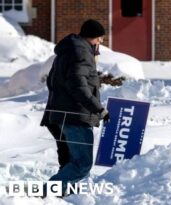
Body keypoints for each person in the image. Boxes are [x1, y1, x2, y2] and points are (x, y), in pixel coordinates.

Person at [40, 19, 110, 196]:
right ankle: (43, 195)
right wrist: (98, 109)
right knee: (82, 164)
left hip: (61, 115)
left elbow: (52, 82)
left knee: (70, 162)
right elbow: (79, 86)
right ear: (91, 37)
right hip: (75, 117)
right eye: (100, 39)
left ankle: (56, 196)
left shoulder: (69, 50)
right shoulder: (81, 53)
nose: (101, 43)